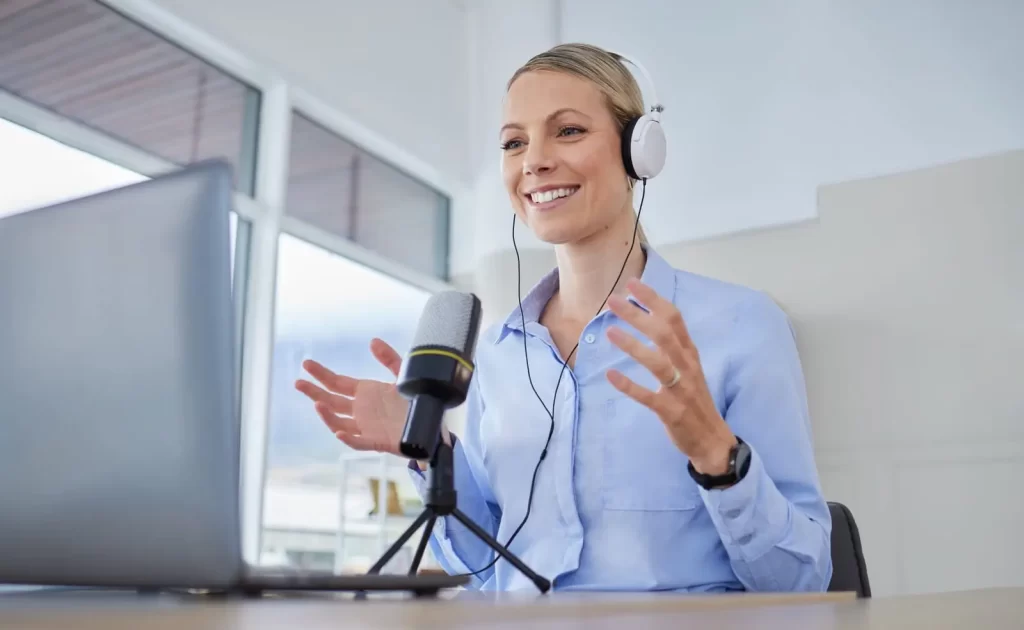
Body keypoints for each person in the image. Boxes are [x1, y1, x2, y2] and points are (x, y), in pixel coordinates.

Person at [296, 43, 832, 592]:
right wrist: (433, 454)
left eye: (569, 131)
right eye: (514, 142)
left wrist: (718, 456)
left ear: (637, 152)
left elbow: (803, 580)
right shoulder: (501, 352)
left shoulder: (741, 325)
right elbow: (488, 570)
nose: (534, 161)